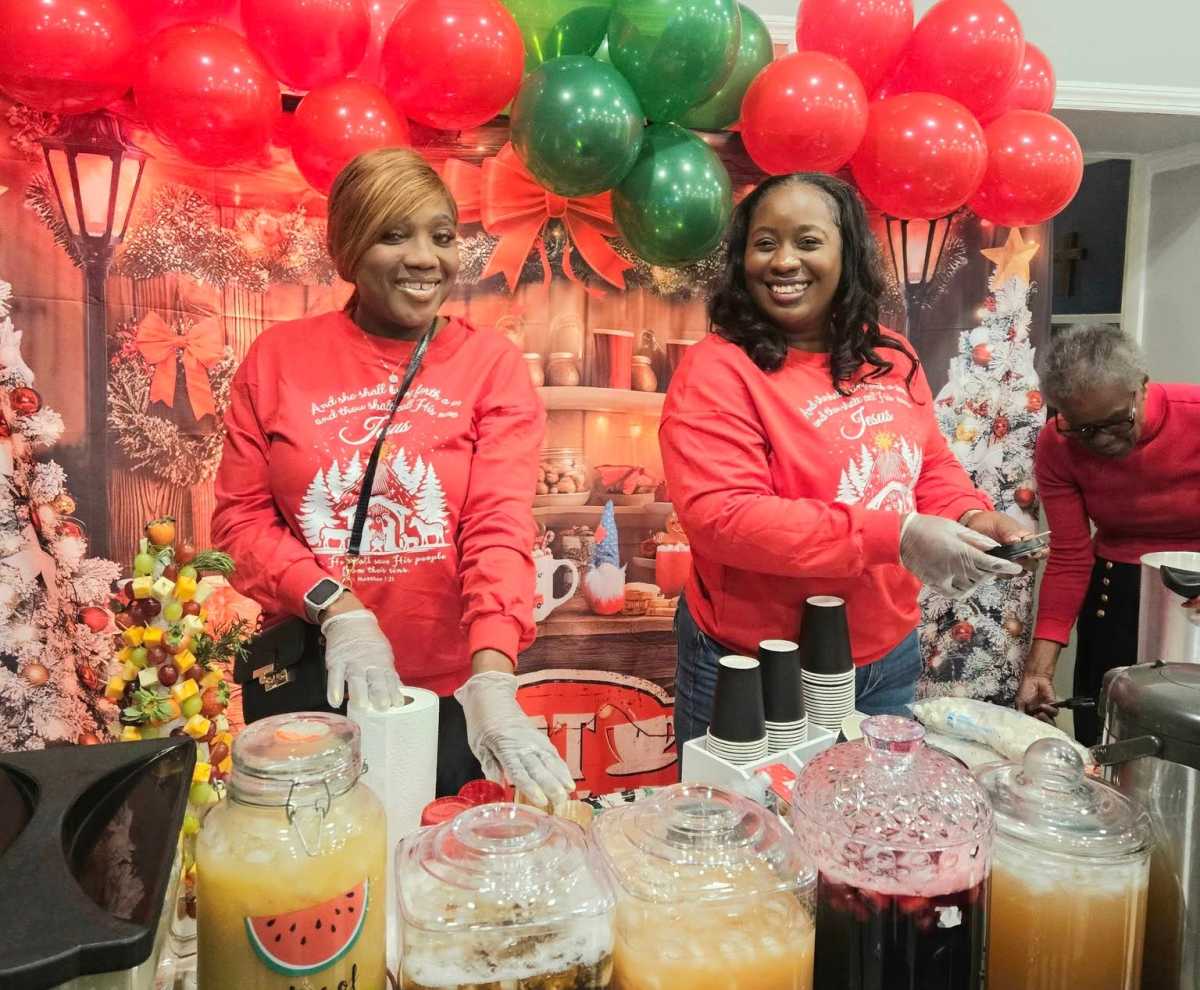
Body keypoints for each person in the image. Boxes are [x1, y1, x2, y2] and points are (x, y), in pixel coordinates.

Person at [212, 148, 573, 805]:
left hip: (442, 694)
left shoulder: (489, 364)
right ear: (350, 249)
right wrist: (336, 607)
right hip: (310, 683)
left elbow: (497, 528)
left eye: (441, 236)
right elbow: (238, 525)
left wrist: (491, 676)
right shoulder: (279, 359)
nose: (424, 259)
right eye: (393, 234)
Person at [660, 172, 1028, 746]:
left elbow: (926, 465)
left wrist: (972, 517)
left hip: (888, 658)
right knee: (746, 827)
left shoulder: (891, 352)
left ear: (847, 253)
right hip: (758, 664)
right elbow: (723, 520)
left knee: (862, 826)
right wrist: (898, 537)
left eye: (807, 242)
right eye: (764, 244)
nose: (784, 261)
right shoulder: (718, 369)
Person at [1016, 324, 1200, 744]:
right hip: (1115, 591)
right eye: (1081, 428)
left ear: (1142, 387)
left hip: (1194, 593)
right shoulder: (1056, 445)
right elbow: (1069, 556)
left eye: (1116, 422)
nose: (1099, 441)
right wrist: (1039, 669)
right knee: (1105, 735)